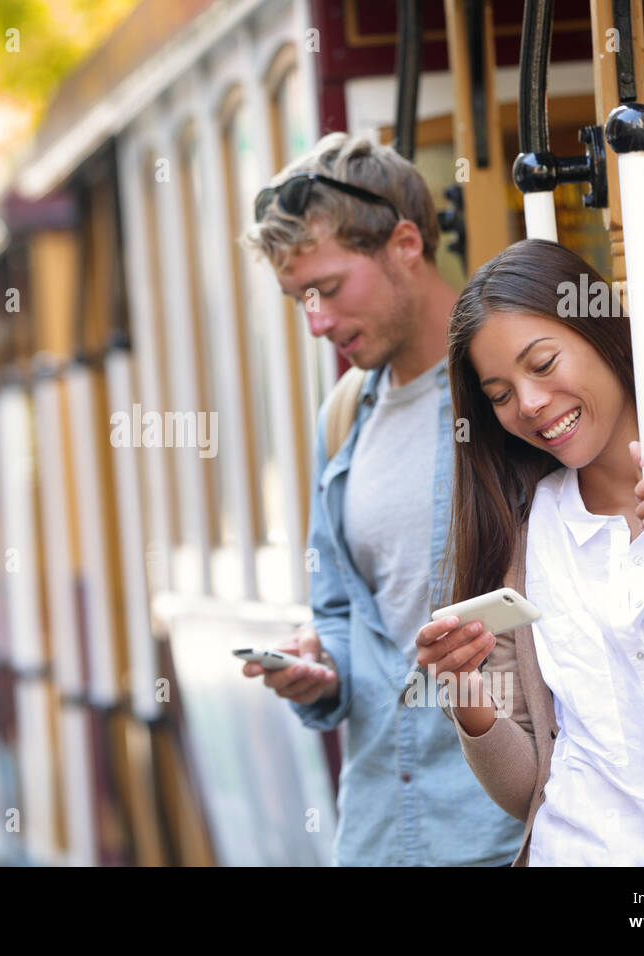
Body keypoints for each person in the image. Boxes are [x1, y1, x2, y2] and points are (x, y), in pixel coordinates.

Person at [417, 238, 644, 866]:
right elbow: (527, 786)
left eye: (542, 363)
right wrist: (463, 695)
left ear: (605, 334)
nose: (529, 405)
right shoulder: (523, 537)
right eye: (500, 394)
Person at [239, 132, 525, 865]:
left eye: (330, 289)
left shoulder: (515, 396)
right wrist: (316, 668)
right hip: (380, 831)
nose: (317, 322)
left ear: (405, 243)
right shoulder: (340, 419)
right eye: (299, 299)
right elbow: (338, 611)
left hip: (508, 830)